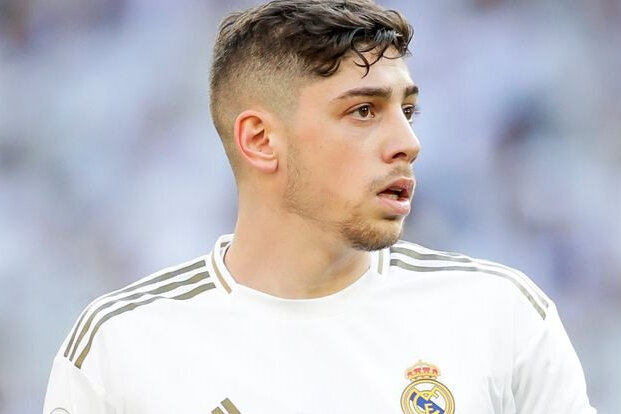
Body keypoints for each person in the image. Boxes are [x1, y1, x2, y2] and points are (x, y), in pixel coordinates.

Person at [43, 1, 596, 413]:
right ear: (260, 140)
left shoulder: (499, 314)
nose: (408, 142)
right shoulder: (122, 345)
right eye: (363, 112)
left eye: (408, 111)